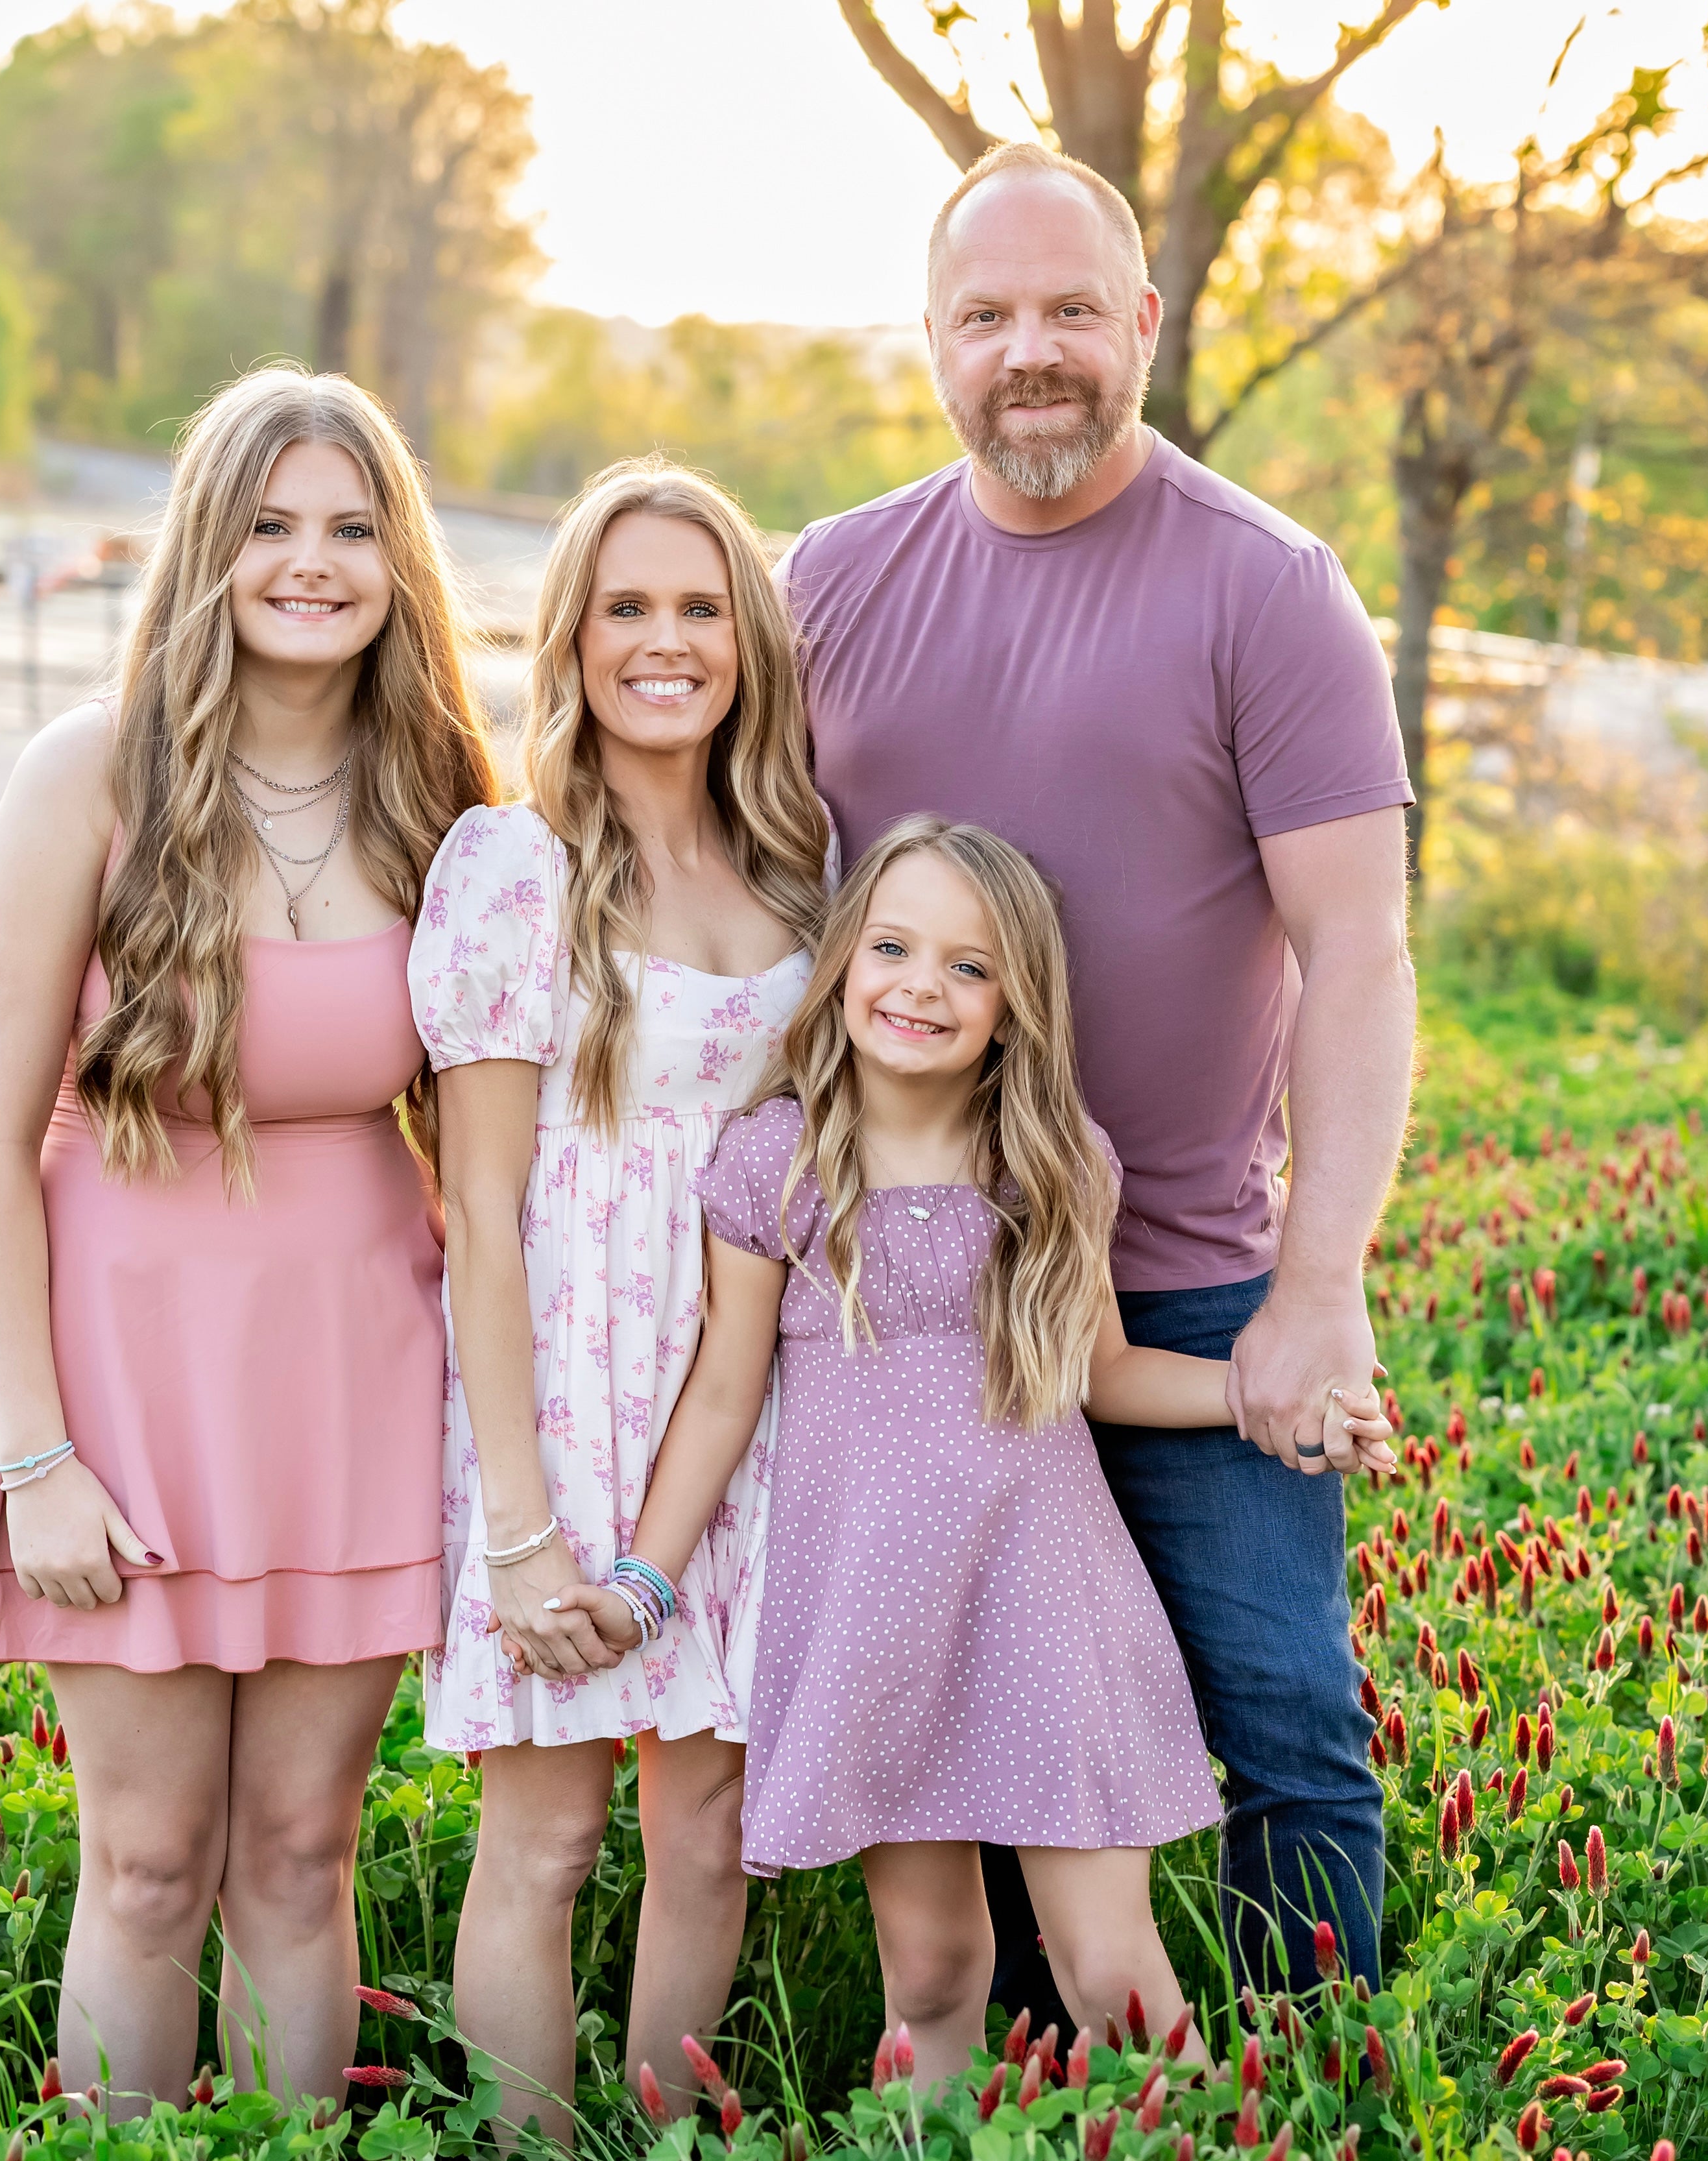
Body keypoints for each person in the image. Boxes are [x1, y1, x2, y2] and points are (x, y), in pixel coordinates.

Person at [779, 139, 1419, 1999]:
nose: (1029, 352)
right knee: (981, 1743)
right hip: (921, 1290)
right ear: (929, 342)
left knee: (1283, 1721)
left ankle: (1316, 2089)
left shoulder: (1265, 586)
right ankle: (1049, 2095)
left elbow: (1355, 953)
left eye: (1070, 309)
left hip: (1196, 1272)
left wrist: (1317, 1294)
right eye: (986, 316)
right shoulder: (828, 582)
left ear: (1142, 321)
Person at [556, 818, 1395, 2086]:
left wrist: (1270, 1398)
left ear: (1012, 1007)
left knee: (1106, 1966)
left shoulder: (1046, 1166)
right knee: (936, 1971)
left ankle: (1199, 2130)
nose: (920, 986)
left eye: (969, 966)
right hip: (880, 1620)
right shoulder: (774, 1163)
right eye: (891, 947)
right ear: (839, 964)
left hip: (1047, 1605)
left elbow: (1102, 1373)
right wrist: (643, 1581)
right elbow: (724, 1393)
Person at [0, 365, 496, 2112]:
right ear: (205, 547)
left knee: (301, 1857)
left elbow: (498, 1134)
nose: (309, 563)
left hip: (351, 1384)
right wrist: (36, 1450)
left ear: (399, 560)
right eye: (267, 526)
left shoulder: (445, 792)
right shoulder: (89, 773)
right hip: (116, 1388)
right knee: (151, 1861)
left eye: (348, 527)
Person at [406, 459, 834, 2139]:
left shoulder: (795, 860)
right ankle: (528, 2139)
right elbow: (484, 1214)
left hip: (742, 1383)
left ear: (749, 639)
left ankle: (664, 2132)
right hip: (568, 1381)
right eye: (627, 607)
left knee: (707, 1820)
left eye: (701, 607)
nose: (665, 643)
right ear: (573, 636)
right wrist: (518, 1522)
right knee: (549, 1838)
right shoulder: (517, 865)